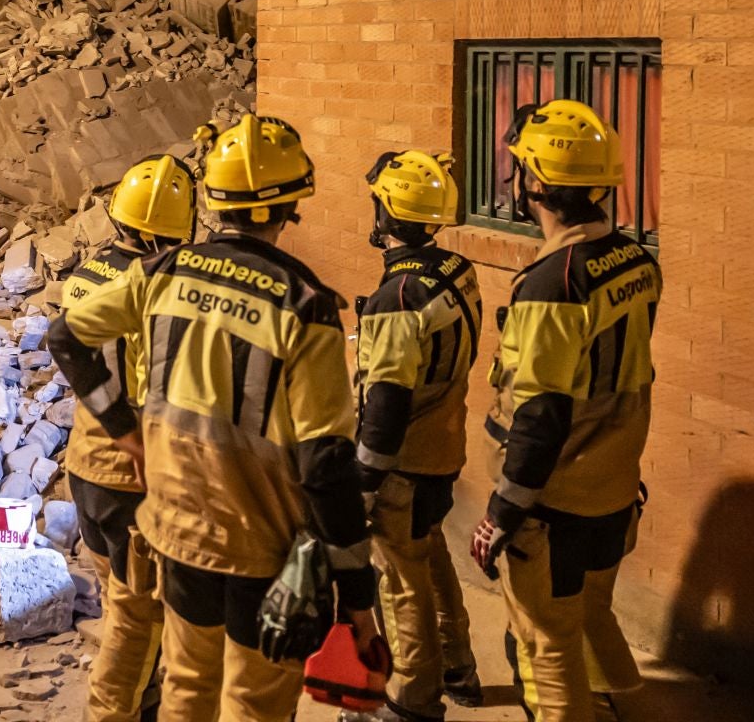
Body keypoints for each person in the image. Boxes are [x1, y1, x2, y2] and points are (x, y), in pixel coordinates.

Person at [49, 115, 385, 722]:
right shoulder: (305, 305)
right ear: (288, 209)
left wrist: (124, 431)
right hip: (261, 545)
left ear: (215, 199)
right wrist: (356, 594)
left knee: (187, 689)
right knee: (253, 703)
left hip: (175, 533)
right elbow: (324, 464)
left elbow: (64, 338)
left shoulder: (161, 275)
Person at [469, 100, 660, 722]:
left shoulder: (554, 283)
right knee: (590, 613)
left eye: (521, 168)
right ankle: (616, 704)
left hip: (555, 503)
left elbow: (542, 414)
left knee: (543, 646)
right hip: (613, 487)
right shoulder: (635, 260)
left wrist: (501, 511)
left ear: (536, 184)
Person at [62, 155, 198, 722]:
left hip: (85, 465)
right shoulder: (150, 291)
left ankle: (142, 700)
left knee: (122, 607)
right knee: (136, 622)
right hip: (130, 477)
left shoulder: (86, 275)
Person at [349, 151, 484, 722]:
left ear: (387, 211)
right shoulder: (457, 268)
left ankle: (414, 700)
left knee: (399, 584)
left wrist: (363, 484)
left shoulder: (397, 298)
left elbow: (386, 403)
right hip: (444, 446)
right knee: (431, 556)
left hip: (403, 461)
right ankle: (460, 668)